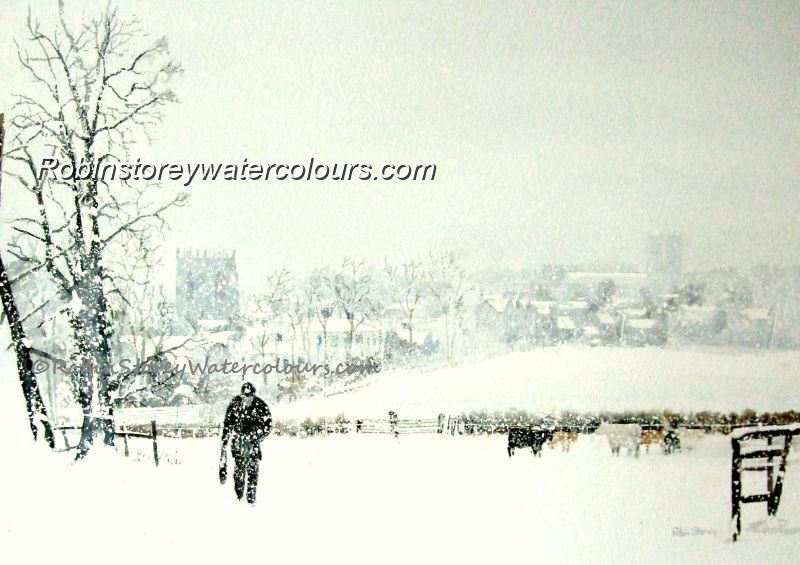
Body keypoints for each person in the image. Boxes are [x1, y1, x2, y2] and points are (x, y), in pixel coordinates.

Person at [220, 382, 272, 504]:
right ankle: (244, 496)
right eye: (246, 395)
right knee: (244, 471)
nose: (247, 398)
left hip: (249, 443)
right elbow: (228, 423)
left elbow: (268, 424)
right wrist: (225, 439)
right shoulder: (242, 403)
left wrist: (257, 436)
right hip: (242, 442)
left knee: (246, 471)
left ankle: (247, 497)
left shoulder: (256, 404)